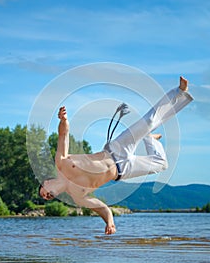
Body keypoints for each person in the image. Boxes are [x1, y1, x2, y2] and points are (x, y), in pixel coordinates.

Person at [39, 76, 193, 235]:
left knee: (148, 122)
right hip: (123, 170)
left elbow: (63, 136)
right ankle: (149, 139)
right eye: (47, 198)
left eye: (43, 192)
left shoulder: (61, 163)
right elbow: (102, 208)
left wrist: (63, 120)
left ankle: (179, 92)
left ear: (47, 182)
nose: (47, 196)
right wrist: (110, 223)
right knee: (162, 164)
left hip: (116, 149)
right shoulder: (78, 196)